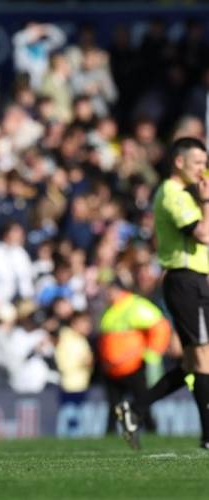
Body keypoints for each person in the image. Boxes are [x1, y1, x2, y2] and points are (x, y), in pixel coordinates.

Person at [117, 137, 209, 450]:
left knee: (192, 363)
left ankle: (136, 408)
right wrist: (206, 202)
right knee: (203, 359)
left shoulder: (185, 193)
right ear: (179, 162)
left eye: (204, 163)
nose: (202, 169)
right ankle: (207, 436)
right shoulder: (171, 193)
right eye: (197, 163)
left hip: (195, 280)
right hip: (185, 280)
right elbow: (203, 234)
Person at [99, 280, 170, 434]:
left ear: (119, 290)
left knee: (142, 400)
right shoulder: (110, 309)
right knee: (114, 404)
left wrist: (151, 353)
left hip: (133, 365)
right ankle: (111, 433)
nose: (107, 295)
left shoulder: (134, 306)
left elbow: (160, 327)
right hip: (112, 369)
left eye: (110, 291)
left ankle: (151, 430)